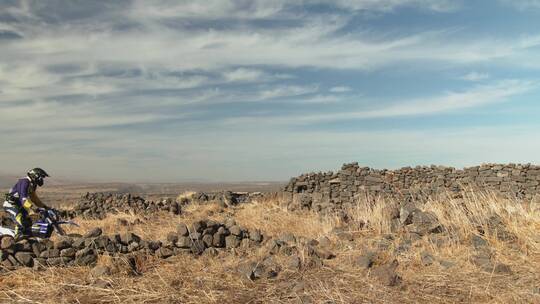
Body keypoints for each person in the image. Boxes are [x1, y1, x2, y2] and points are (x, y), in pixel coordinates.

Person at [3, 168, 51, 238]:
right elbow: (23, 199)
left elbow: (34, 199)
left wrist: (45, 207)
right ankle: (16, 240)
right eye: (41, 177)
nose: (42, 179)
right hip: (11, 205)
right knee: (21, 222)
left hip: (20, 206)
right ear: (35, 175)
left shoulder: (32, 184)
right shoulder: (24, 182)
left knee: (28, 224)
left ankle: (28, 241)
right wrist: (31, 209)